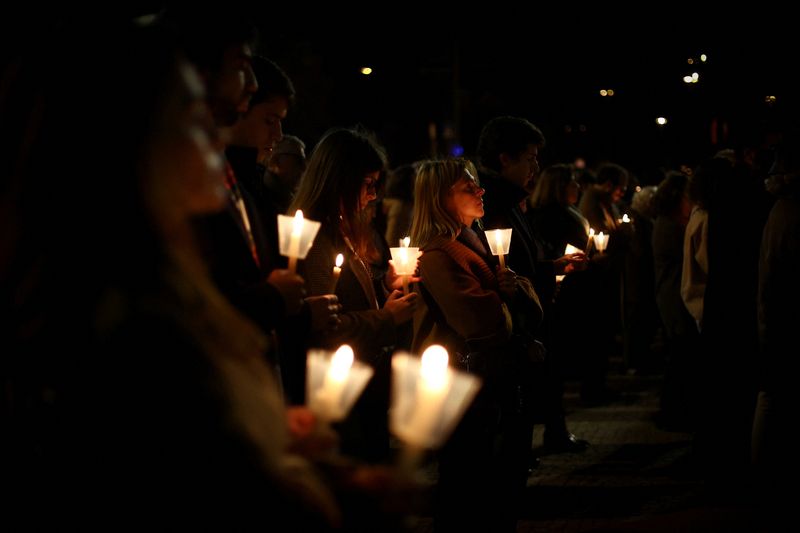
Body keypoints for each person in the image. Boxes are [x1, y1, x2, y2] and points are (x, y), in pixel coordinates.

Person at [1, 23, 339, 528]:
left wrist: (263, 430)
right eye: (189, 109)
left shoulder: (170, 281)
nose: (216, 126)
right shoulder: (135, 329)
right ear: (123, 137)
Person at [411, 158, 542, 531]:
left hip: (489, 383)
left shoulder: (473, 245)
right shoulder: (439, 255)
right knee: (469, 487)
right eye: (469, 187)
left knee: (495, 484)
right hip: (465, 386)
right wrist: (506, 295)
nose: (480, 190)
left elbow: (527, 305)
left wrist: (511, 289)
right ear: (440, 198)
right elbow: (481, 324)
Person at [290, 127, 419, 463]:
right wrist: (387, 317)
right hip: (337, 395)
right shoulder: (315, 241)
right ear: (339, 181)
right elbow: (324, 325)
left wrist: (382, 286)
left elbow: (349, 293)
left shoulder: (345, 229)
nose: (374, 195)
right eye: (368, 184)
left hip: (364, 388)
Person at [476, 116, 588, 456]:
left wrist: (550, 268)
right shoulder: (493, 204)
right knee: (513, 417)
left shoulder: (511, 200)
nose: (536, 166)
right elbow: (503, 267)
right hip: (513, 324)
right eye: (529, 157)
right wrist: (538, 277)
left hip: (527, 314)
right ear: (505, 158)